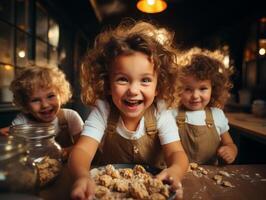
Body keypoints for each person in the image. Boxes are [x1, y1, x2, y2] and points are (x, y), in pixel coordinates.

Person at [68, 20, 189, 200]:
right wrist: (82, 176)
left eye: (145, 80)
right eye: (123, 79)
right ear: (107, 84)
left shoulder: (160, 112)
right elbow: (82, 151)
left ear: (158, 87)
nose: (133, 90)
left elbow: (176, 153)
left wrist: (175, 171)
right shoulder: (103, 110)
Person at [172, 47, 238, 165]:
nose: (195, 96)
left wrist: (231, 151)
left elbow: (229, 143)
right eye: (188, 89)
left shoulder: (217, 115)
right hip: (180, 173)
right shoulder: (172, 114)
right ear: (178, 89)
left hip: (211, 175)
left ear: (214, 88)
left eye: (203, 88)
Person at [8, 66, 84, 158]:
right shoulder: (21, 122)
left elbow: (84, 147)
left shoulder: (69, 117)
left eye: (51, 96)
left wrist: (62, 153)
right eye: (35, 100)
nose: (45, 105)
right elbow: (16, 154)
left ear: (61, 94)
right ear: (25, 104)